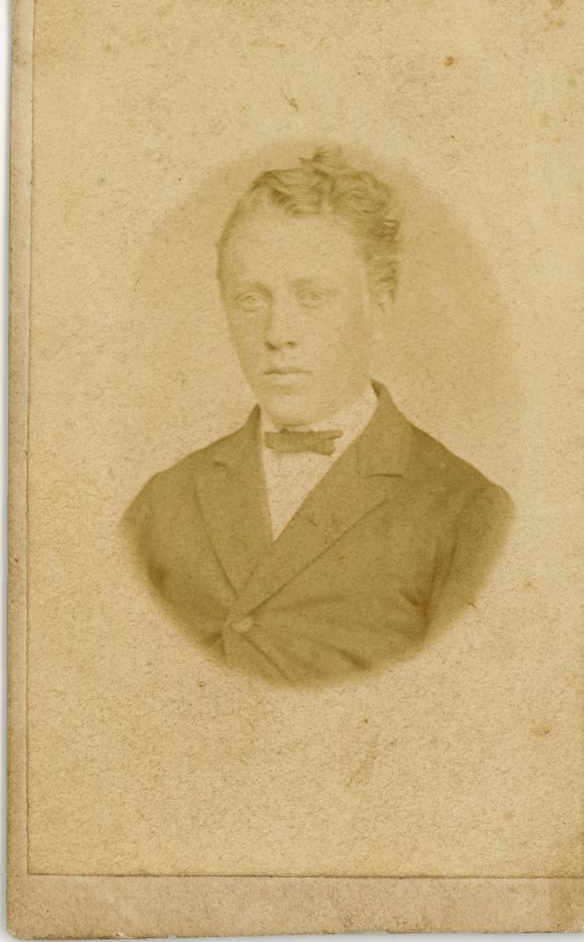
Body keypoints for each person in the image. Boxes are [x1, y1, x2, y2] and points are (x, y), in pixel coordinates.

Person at [121, 147, 514, 686]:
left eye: (312, 296)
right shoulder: (162, 501)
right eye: (251, 299)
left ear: (380, 304)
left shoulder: (467, 513)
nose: (278, 333)